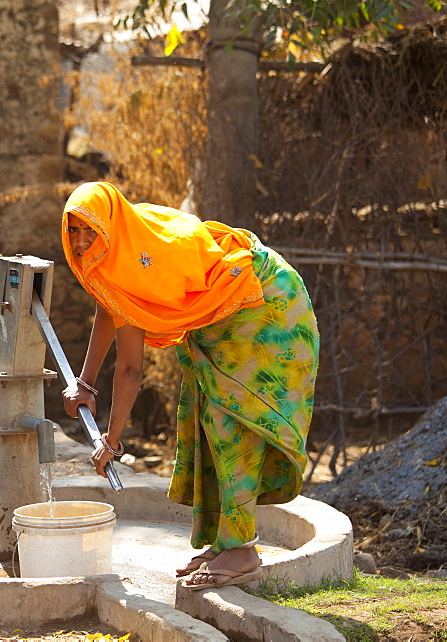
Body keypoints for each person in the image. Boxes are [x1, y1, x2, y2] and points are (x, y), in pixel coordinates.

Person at [60, 181, 319, 590]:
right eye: (73, 229)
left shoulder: (128, 262)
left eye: (90, 230)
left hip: (262, 300)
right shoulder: (120, 243)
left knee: (229, 418)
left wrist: (112, 440)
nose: (81, 241)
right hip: (223, 304)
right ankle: (224, 541)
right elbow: (108, 311)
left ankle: (242, 549)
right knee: (204, 413)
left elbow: (130, 369)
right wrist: (85, 382)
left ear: (110, 224)